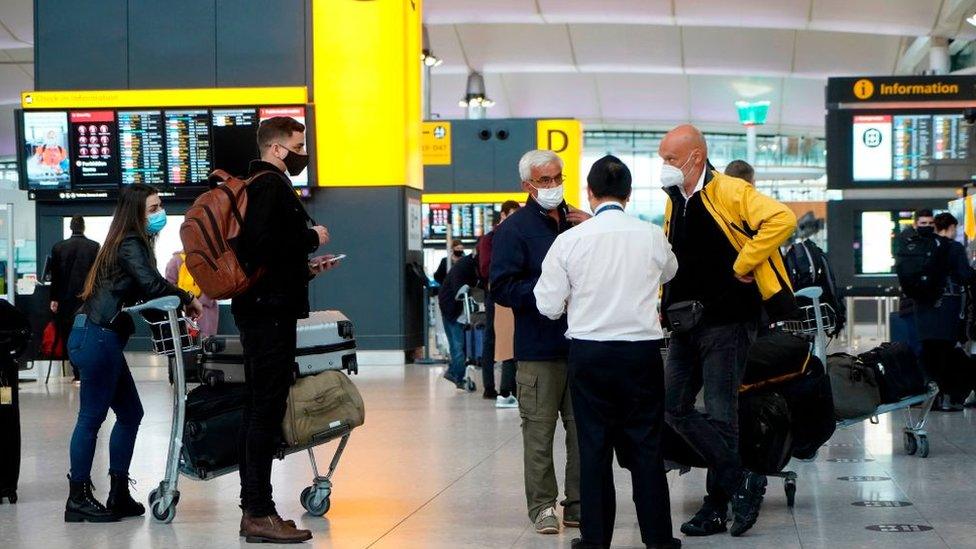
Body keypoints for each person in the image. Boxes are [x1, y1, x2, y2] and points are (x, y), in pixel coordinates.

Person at [535, 155, 680, 549]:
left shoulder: (569, 240)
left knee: (594, 449)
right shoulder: (650, 235)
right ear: (629, 194)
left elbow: (547, 305)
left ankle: (595, 540)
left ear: (589, 193)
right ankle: (658, 540)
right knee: (647, 449)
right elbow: (670, 272)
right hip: (641, 355)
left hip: (590, 355)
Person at [659, 125, 796, 538]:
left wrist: (743, 265)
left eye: (670, 158)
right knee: (674, 406)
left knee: (721, 414)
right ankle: (742, 480)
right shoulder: (675, 200)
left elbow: (781, 218)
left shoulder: (730, 191)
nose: (664, 166)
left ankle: (716, 507)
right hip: (686, 323)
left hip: (727, 322)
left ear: (696, 157)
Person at [65, 184, 204, 523]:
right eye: (153, 209)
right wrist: (187, 298)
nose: (159, 214)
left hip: (101, 337)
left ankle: (118, 492)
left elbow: (144, 294)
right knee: (91, 418)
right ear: (136, 214)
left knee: (130, 414)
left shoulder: (127, 244)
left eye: (159, 206)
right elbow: (153, 286)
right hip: (97, 337)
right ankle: (77, 499)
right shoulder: (130, 243)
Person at [232, 116, 334, 544]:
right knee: (265, 409)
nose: (302, 151)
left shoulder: (257, 185)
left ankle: (257, 507)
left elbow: (265, 260)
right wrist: (312, 238)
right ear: (277, 148)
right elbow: (263, 245)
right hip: (268, 315)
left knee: (262, 405)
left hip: (263, 307)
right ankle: (257, 511)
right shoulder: (270, 185)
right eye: (298, 143)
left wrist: (305, 270)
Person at [490, 149, 588, 535]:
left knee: (584, 432)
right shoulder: (514, 231)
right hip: (537, 350)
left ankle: (579, 504)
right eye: (544, 181)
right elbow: (502, 287)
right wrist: (548, 292)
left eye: (557, 178)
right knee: (539, 433)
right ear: (527, 185)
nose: (552, 186)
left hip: (581, 345)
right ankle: (543, 506)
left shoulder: (579, 222)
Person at [916, 212, 976, 412]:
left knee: (930, 354)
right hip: (946, 308)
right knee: (945, 353)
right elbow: (964, 275)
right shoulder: (954, 248)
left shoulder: (923, 245)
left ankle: (931, 397)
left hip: (923, 309)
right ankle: (948, 397)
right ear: (951, 228)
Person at [476, 200, 521, 406]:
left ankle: (509, 387)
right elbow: (485, 269)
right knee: (492, 339)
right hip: (495, 293)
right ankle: (490, 387)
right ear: (502, 215)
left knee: (509, 339)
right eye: (510, 215)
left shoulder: (517, 236)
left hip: (511, 292)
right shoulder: (489, 239)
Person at [49, 215, 100, 383]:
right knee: (86, 333)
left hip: (65, 299)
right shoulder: (93, 247)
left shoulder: (58, 247)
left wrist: (54, 298)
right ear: (83, 227)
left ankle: (75, 371)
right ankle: (85, 371)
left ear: (71, 227)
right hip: (86, 298)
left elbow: (54, 277)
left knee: (68, 334)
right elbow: (97, 275)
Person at [437, 249, 481, 389]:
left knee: (458, 346)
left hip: (453, 309)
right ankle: (458, 376)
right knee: (458, 346)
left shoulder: (468, 265)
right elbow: (458, 290)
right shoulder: (464, 267)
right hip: (451, 310)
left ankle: (453, 372)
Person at [165, 251, 219, 338]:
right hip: (206, 306)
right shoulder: (208, 259)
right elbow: (214, 283)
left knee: (188, 339)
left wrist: (184, 302)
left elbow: (169, 285)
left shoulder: (175, 260)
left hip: (184, 307)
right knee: (207, 339)